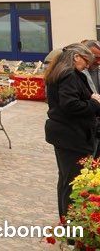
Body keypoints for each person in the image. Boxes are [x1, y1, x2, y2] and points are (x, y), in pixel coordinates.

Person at [43, 43, 100, 219]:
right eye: (86, 61)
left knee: (66, 179)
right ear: (76, 57)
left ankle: (66, 221)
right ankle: (71, 227)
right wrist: (94, 102)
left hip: (63, 133)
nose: (88, 66)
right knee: (73, 181)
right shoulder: (69, 75)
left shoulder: (59, 72)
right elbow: (70, 105)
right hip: (72, 135)